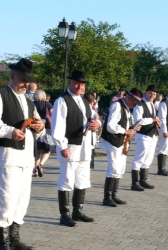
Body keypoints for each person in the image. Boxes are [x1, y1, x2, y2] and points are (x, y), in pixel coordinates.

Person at [0, 58, 44, 250]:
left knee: (22, 199)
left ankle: (15, 237)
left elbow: (38, 124)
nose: (26, 83)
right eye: (23, 79)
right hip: (7, 156)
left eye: (28, 80)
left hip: (26, 157)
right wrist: (10, 131)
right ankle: (3, 242)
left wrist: (40, 126)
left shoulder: (29, 101)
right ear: (12, 76)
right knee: (6, 198)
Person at [51, 71, 99, 226]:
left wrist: (97, 124)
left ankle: (78, 211)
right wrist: (62, 146)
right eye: (77, 83)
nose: (80, 87)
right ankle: (64, 214)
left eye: (82, 84)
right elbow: (57, 126)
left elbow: (94, 118)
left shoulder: (84, 101)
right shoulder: (62, 100)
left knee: (82, 179)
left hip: (85, 146)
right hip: (70, 145)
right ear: (70, 83)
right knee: (66, 179)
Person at [99, 89, 134, 207]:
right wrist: (125, 131)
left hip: (121, 141)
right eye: (134, 102)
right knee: (114, 168)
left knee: (120, 168)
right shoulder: (117, 106)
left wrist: (132, 128)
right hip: (113, 141)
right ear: (129, 99)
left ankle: (114, 195)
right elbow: (110, 126)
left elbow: (125, 124)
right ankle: (107, 197)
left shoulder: (127, 108)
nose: (135, 105)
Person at [128, 87, 160, 190]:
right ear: (145, 93)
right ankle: (134, 183)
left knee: (148, 159)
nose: (152, 96)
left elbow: (152, 118)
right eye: (150, 93)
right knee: (139, 159)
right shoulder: (139, 104)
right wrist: (152, 119)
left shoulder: (152, 104)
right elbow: (138, 120)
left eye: (154, 94)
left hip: (152, 134)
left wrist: (156, 121)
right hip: (142, 135)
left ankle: (143, 180)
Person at [32, 90, 53, 176]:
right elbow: (53, 115)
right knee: (47, 150)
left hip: (36, 128)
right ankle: (40, 165)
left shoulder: (32, 104)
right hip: (46, 129)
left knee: (37, 151)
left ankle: (35, 171)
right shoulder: (47, 104)